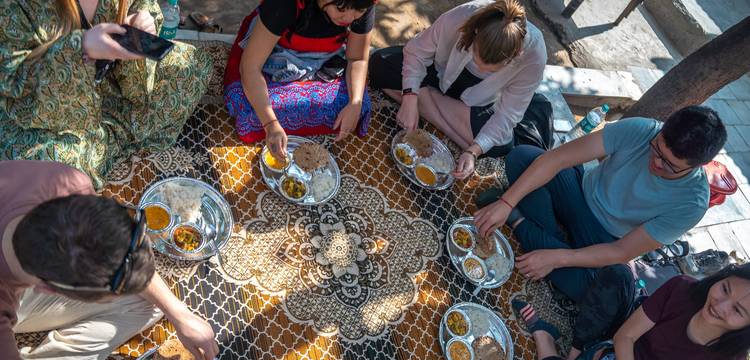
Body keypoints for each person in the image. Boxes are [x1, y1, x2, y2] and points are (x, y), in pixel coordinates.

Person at [474, 105, 727, 360]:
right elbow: (556, 159)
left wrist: (558, 258)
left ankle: (525, 226)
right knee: (523, 157)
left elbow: (621, 252)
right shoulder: (642, 129)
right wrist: (506, 203)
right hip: (578, 193)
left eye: (670, 166)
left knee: (594, 291)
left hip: (605, 238)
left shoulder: (692, 203)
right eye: (656, 150)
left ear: (698, 166)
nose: (656, 163)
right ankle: (531, 229)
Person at [0, 160, 218, 360]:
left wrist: (180, 313)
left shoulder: (65, 182)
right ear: (48, 289)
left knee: (152, 303)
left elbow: (126, 259)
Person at [0, 0, 212, 190]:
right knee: (44, 167)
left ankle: (107, 142)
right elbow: (11, 81)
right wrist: (81, 48)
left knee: (194, 66)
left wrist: (145, 19)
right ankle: (111, 142)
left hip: (116, 89)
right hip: (55, 116)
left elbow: (143, 5)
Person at [368, 0, 547, 179]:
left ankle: (425, 101)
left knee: (500, 145)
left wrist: (473, 152)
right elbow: (416, 52)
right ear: (476, 31)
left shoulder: (534, 57)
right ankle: (432, 111)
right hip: (437, 77)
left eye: (491, 70)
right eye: (477, 59)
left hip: (475, 105)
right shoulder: (464, 15)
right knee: (380, 63)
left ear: (516, 55)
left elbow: (507, 115)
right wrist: (409, 98)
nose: (482, 70)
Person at [518, 265, 750, 360]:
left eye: (737, 310)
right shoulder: (682, 289)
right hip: (619, 349)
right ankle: (570, 351)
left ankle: (546, 341)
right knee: (618, 275)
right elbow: (625, 337)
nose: (720, 306)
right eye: (724, 288)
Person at [224, 0, 375, 159]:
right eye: (340, 8)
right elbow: (250, 67)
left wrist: (355, 102)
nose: (350, 18)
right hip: (278, 54)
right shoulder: (285, 4)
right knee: (246, 106)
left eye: (359, 11)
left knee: (361, 106)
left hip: (327, 57)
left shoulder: (363, 2)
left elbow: (358, 58)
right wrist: (270, 124)